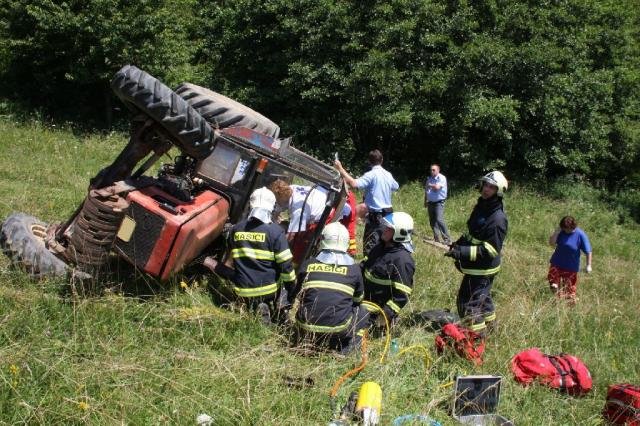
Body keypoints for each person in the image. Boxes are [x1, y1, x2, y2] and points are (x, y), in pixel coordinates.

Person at [203, 187, 296, 324]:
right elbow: (286, 266)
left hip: (242, 288)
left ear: (251, 205)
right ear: (272, 207)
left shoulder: (236, 229)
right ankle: (278, 310)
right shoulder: (276, 232)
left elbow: (232, 258)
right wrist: (291, 289)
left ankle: (255, 306)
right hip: (269, 290)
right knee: (285, 278)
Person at [445, 171, 508, 336]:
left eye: (492, 187)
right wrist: (458, 243)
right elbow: (470, 233)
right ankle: (492, 329)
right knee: (483, 299)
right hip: (476, 267)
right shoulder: (481, 207)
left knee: (468, 303)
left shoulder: (497, 219)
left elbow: (490, 250)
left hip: (483, 269)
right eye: (485, 185)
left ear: (498, 191)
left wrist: (462, 252)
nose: (486, 189)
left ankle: (476, 339)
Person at [291, 222, 369, 354]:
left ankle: (305, 340)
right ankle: (347, 349)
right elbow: (358, 299)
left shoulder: (307, 264)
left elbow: (297, 294)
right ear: (346, 243)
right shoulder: (354, 270)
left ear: (322, 241)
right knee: (363, 312)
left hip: (306, 326)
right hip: (339, 330)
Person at [334, 150, 399, 255]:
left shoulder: (371, 175)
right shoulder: (388, 174)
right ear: (381, 160)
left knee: (371, 244)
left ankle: (369, 267)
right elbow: (396, 186)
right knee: (385, 240)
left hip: (376, 215)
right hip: (389, 213)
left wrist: (340, 169)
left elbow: (354, 184)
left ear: (369, 162)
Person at [361, 212, 415, 329]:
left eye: (389, 228)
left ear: (400, 233)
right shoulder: (379, 248)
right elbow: (364, 266)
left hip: (378, 314)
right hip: (363, 304)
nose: (385, 229)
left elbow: (402, 295)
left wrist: (384, 316)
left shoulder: (402, 260)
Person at [269, 179, 329, 266]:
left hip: (321, 217)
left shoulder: (298, 210)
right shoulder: (290, 189)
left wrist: (274, 246)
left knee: (299, 246)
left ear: (281, 197)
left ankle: (295, 268)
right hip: (318, 199)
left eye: (276, 199)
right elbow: (279, 206)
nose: (276, 202)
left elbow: (291, 236)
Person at [548, 216, 592, 303]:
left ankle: (570, 305)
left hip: (570, 267)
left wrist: (588, 265)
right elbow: (551, 243)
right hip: (556, 263)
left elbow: (588, 251)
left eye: (568, 229)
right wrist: (556, 232)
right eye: (564, 228)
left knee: (569, 290)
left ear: (573, 227)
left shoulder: (580, 235)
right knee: (553, 283)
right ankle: (557, 300)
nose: (566, 231)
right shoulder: (561, 232)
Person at [424, 163, 451, 244]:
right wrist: (425, 201)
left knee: (439, 219)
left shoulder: (441, 178)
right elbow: (426, 191)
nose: (432, 171)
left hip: (439, 202)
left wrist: (429, 185)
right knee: (432, 221)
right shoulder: (429, 179)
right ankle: (436, 238)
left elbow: (437, 188)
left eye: (433, 170)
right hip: (430, 202)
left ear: (438, 170)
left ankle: (447, 239)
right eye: (431, 170)